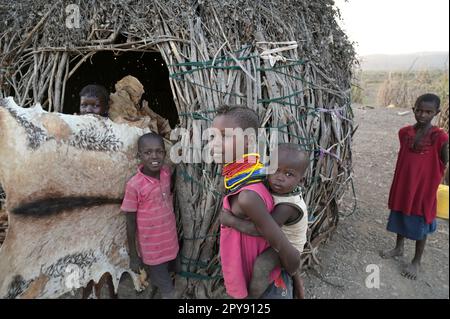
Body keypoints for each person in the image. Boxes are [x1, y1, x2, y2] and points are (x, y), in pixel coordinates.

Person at [211, 105, 301, 299]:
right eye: (213, 137)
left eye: (225, 136)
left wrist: (294, 269)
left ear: (249, 141)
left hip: (263, 286)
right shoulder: (252, 173)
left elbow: (283, 246)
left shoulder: (248, 195)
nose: (214, 145)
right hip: (250, 269)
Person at [221, 143, 309, 298]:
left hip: (289, 247)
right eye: (275, 170)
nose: (279, 178)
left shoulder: (288, 206)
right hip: (277, 239)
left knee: (262, 265)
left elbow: (260, 230)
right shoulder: (273, 186)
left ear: (301, 181)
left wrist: (231, 221)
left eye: (289, 175)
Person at [380, 93, 449, 280]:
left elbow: (444, 161)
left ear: (437, 112)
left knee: (421, 224)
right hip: (404, 185)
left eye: (428, 112)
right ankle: (398, 248)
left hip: (423, 190)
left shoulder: (440, 137)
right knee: (400, 214)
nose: (423, 115)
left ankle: (416, 261)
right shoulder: (405, 133)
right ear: (413, 110)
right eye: (419, 110)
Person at [121, 132, 179, 298]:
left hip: (171, 243)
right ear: (140, 155)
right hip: (153, 250)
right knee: (169, 290)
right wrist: (133, 255)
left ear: (164, 153)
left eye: (159, 151)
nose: (154, 156)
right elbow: (130, 222)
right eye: (148, 153)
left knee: (168, 275)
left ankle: (155, 288)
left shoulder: (166, 174)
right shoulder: (134, 185)